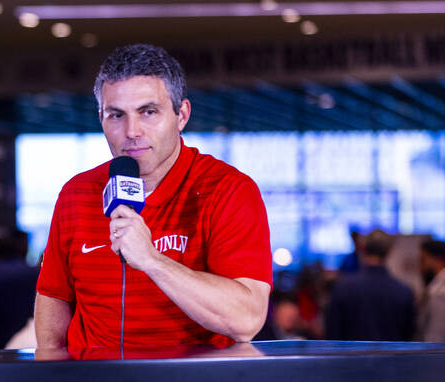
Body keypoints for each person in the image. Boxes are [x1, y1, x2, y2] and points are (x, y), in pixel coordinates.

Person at [34, 44, 272, 352]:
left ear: (181, 114)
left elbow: (246, 319)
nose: (132, 131)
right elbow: (54, 298)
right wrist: (54, 381)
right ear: (101, 118)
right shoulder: (77, 192)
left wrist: (151, 260)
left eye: (148, 112)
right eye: (116, 115)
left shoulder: (227, 190)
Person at [323, 229, 415, 341]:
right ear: (389, 251)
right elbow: (408, 337)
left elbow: (333, 334)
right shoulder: (403, 292)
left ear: (363, 249)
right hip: (391, 358)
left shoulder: (343, 288)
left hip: (351, 357)